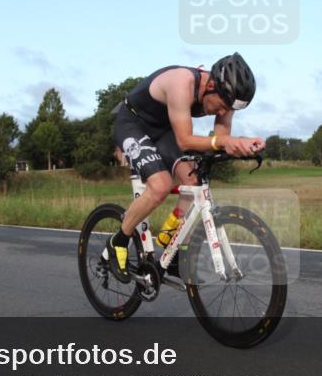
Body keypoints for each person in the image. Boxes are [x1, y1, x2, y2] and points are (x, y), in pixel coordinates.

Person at [104, 53, 265, 283]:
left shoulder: (227, 99)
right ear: (211, 86)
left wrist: (244, 146)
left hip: (164, 130)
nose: (223, 113)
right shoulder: (181, 82)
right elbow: (185, 141)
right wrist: (226, 142)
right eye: (222, 106)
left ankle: (173, 245)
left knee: (193, 181)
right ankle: (118, 241)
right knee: (160, 186)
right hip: (133, 124)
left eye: (230, 110)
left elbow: (219, 142)